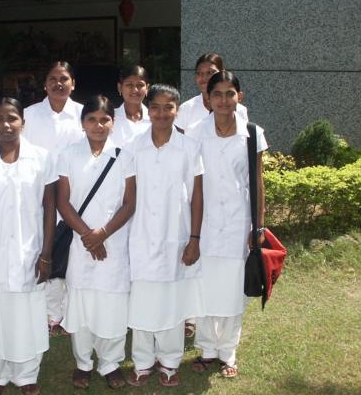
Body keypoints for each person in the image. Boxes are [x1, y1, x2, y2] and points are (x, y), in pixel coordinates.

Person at [0, 98, 56, 395]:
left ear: (23, 123)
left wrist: (45, 254)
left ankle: (27, 374)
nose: (6, 125)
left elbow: (49, 209)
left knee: (28, 313)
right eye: (0, 119)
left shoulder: (42, 158)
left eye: (12, 118)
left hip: (30, 251)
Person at [186, 71, 268, 378]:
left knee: (234, 289)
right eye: (216, 94)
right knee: (205, 285)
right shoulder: (194, 131)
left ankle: (228, 351)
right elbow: (189, 180)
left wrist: (257, 226)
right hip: (203, 222)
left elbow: (256, 181)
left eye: (229, 93)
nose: (223, 100)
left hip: (237, 222)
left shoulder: (252, 133)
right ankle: (207, 349)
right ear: (207, 98)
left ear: (239, 97)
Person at [125, 84, 204, 388]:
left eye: (167, 107)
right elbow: (127, 196)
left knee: (172, 300)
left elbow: (197, 196)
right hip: (141, 234)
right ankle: (143, 361)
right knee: (143, 300)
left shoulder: (189, 147)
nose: (160, 113)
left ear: (176, 110)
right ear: (148, 109)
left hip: (176, 234)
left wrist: (194, 238)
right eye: (155, 107)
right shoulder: (134, 146)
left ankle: (170, 361)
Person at [56, 95, 136, 390]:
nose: (98, 125)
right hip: (80, 243)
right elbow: (63, 202)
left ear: (113, 123)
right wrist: (89, 236)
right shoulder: (68, 155)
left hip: (114, 242)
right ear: (82, 123)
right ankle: (83, 363)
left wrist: (102, 234)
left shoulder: (124, 156)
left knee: (112, 304)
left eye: (104, 119)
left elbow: (129, 203)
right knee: (84, 303)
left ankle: (110, 362)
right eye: (92, 119)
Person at [24, 61, 83, 335]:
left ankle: (68, 314)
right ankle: (49, 316)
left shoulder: (84, 115)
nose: (59, 84)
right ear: (45, 83)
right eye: (52, 79)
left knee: (71, 256)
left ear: (73, 83)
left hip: (77, 197)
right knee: (44, 253)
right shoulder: (29, 115)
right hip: (39, 195)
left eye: (64, 79)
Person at [175, 53, 248, 133]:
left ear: (222, 72)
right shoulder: (186, 109)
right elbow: (178, 142)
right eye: (199, 73)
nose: (204, 78)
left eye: (210, 72)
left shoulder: (239, 110)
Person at [109, 65, 150, 147]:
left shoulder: (155, 119)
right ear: (120, 87)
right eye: (129, 85)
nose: (135, 90)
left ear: (147, 88)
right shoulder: (109, 118)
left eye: (140, 85)